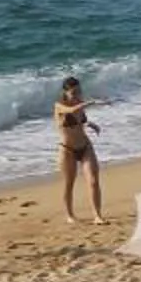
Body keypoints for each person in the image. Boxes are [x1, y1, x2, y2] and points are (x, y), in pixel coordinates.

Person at [54, 77, 105, 223]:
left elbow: (79, 120)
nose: (77, 95)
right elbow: (71, 111)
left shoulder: (79, 104)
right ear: (66, 92)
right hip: (67, 149)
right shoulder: (59, 105)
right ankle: (70, 215)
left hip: (85, 147)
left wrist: (90, 124)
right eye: (74, 92)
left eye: (79, 91)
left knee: (93, 181)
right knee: (69, 183)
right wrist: (91, 102)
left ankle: (97, 215)